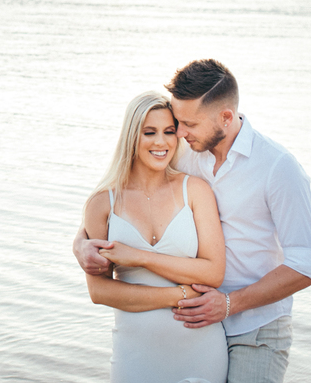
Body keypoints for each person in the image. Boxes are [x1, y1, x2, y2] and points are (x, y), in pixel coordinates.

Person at [75, 60, 311, 383]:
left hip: (255, 327)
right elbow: (122, 203)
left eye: (187, 123)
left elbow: (308, 264)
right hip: (198, 319)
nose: (178, 132)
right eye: (178, 122)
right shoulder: (187, 152)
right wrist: (81, 243)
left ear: (225, 117)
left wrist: (230, 304)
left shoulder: (278, 168)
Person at [82, 91, 229, 383]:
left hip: (201, 353)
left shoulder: (195, 191)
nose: (161, 142)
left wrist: (139, 257)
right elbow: (100, 292)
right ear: (131, 136)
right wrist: (180, 294)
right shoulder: (102, 203)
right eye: (149, 132)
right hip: (135, 356)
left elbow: (213, 272)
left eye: (169, 132)